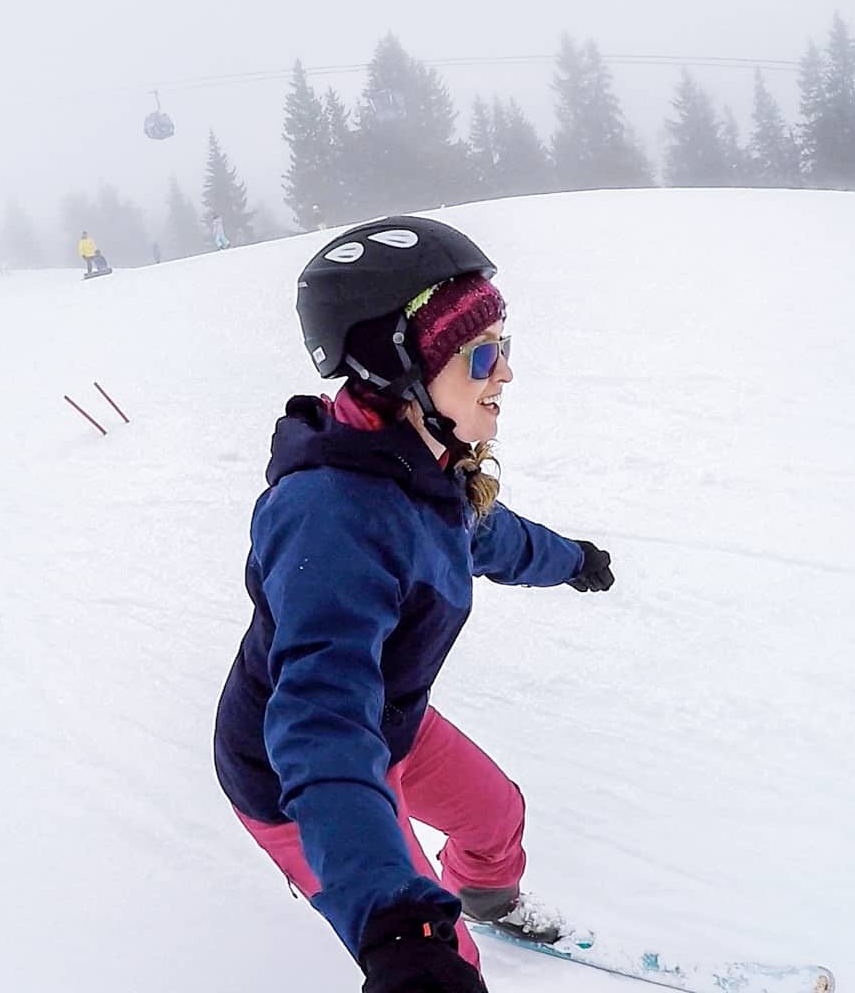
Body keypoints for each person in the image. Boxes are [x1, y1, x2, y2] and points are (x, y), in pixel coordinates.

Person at [213, 216, 615, 993]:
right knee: (441, 953)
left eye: (507, 347)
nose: (505, 375)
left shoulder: (425, 473)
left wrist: (572, 562)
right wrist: (399, 927)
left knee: (495, 817)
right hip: (302, 773)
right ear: (400, 371)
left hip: (391, 720)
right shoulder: (332, 515)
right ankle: (441, 940)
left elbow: (487, 538)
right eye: (483, 356)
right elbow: (323, 720)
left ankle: (491, 901)